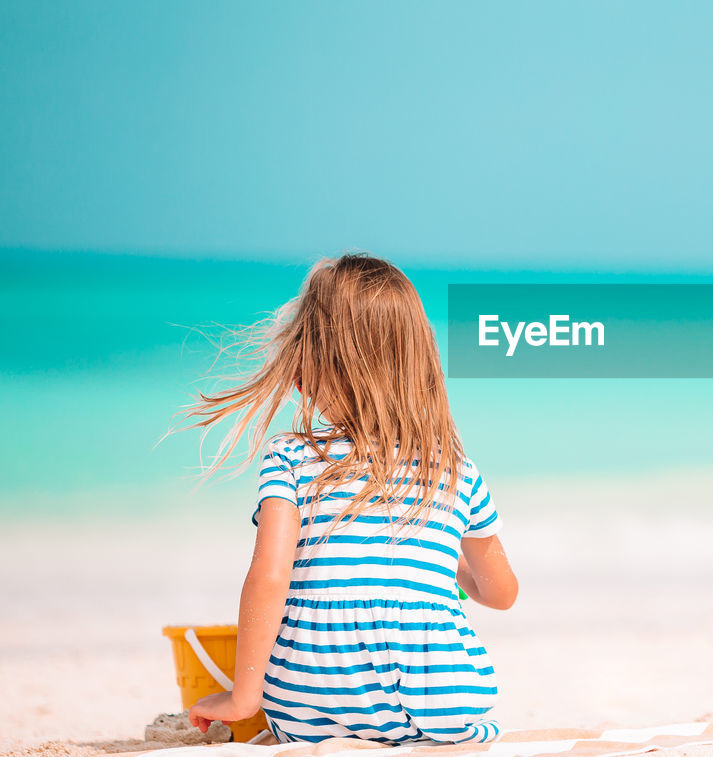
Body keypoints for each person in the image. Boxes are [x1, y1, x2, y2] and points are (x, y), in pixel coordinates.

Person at [183, 253, 518, 744]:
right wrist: (443, 564)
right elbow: (501, 593)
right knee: (472, 704)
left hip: (309, 703)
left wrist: (242, 698)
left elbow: (269, 578)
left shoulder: (291, 457)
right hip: (439, 704)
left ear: (309, 367)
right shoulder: (454, 470)